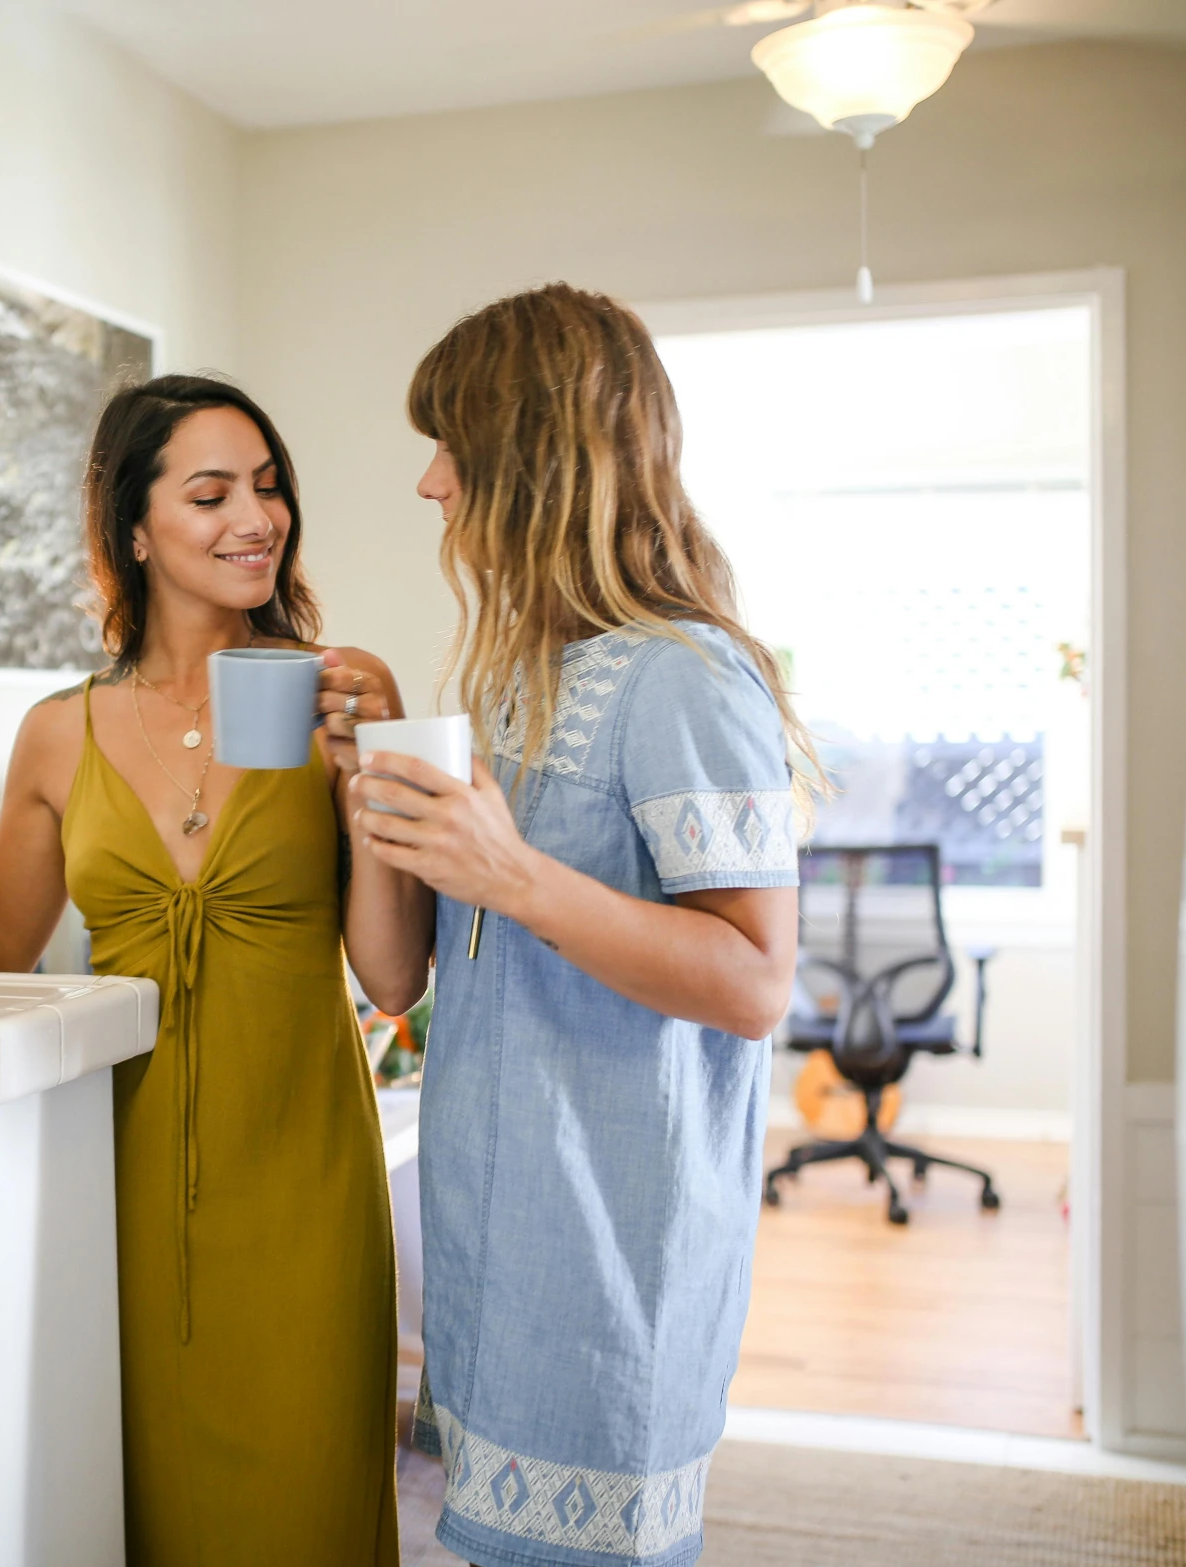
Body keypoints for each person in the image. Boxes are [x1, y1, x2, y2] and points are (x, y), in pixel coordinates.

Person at [0, 375, 416, 1567]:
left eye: (267, 488)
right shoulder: (60, 730)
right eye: (210, 493)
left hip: (305, 1176)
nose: (254, 517)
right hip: (116, 1180)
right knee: (137, 1511)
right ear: (135, 528)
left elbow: (392, 971)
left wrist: (373, 776)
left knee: (306, 1513)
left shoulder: (334, 697)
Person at [343, 285, 814, 1567]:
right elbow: (397, 975)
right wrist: (375, 764)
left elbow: (754, 981)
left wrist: (516, 877)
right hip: (498, 1238)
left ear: (532, 459)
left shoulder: (687, 675)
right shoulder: (510, 683)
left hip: (619, 1253)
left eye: (451, 447)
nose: (431, 484)